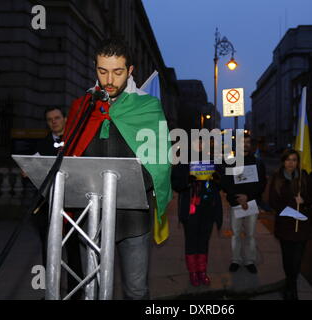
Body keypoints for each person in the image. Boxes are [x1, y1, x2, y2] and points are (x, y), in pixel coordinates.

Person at [62, 36, 172, 300]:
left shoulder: (147, 107)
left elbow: (160, 162)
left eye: (117, 72)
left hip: (133, 217)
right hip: (91, 217)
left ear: (130, 70)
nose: (109, 80)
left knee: (136, 291)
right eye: (102, 71)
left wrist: (134, 181)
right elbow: (70, 157)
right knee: (93, 289)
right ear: (95, 68)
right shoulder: (83, 106)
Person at [31, 107, 84, 299]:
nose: (53, 122)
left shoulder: (77, 140)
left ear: (65, 119)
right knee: (49, 251)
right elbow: (31, 171)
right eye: (49, 119)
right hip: (46, 206)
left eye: (57, 118)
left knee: (74, 251)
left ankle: (75, 292)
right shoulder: (42, 144)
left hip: (73, 206)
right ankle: (50, 292)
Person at [171, 138, 223, 286]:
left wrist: (215, 178)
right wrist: (188, 180)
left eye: (202, 143)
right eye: (196, 143)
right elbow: (176, 184)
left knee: (204, 241)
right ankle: (193, 273)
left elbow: (221, 183)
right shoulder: (184, 162)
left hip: (209, 208)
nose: (199, 145)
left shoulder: (212, 161)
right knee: (191, 241)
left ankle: (202, 272)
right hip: (191, 209)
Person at [268, 149, 312, 300]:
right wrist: (287, 210)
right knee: (287, 259)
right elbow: (272, 201)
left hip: (301, 225)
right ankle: (290, 285)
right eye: (288, 160)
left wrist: (304, 200)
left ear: (298, 162)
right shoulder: (277, 178)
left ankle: (292, 286)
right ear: (283, 161)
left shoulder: (303, 177)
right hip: (285, 225)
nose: (291, 163)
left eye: (294, 160)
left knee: (296, 260)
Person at [220, 134, 267, 274]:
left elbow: (262, 184)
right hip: (236, 203)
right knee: (235, 234)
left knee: (250, 234)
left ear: (251, 145)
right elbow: (225, 183)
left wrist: (248, 197)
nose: (245, 145)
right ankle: (236, 260)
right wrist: (238, 198)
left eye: (248, 142)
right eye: (242, 142)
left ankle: (249, 261)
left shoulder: (258, 162)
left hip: (252, 203)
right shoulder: (231, 162)